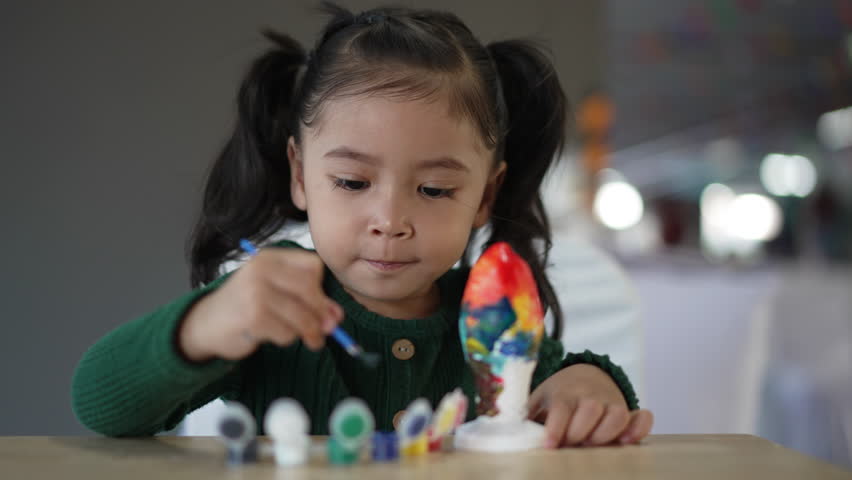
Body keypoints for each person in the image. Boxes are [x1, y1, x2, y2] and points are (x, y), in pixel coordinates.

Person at [72, 3, 653, 448]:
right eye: (352, 183)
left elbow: (571, 387)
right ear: (300, 174)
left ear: (485, 195)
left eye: (434, 190)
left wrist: (589, 387)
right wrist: (201, 327)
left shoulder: (493, 315)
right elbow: (100, 404)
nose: (390, 222)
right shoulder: (269, 313)